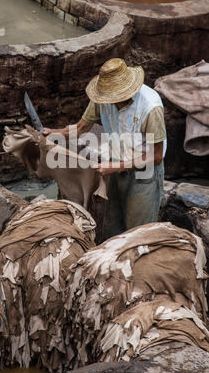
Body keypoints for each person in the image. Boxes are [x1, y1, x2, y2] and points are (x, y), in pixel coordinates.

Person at [43, 58, 167, 240]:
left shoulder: (150, 107)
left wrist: (114, 168)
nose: (109, 101)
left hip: (144, 171)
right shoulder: (102, 97)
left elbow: (156, 156)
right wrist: (54, 133)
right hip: (116, 162)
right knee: (113, 226)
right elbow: (80, 128)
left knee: (138, 233)